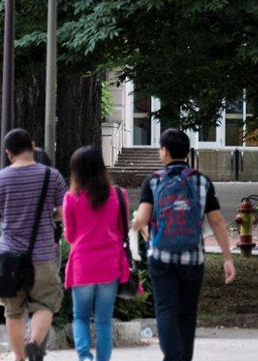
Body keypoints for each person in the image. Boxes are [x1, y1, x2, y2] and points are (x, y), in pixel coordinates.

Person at [131, 128, 236, 361]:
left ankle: (173, 356)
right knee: (187, 314)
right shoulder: (201, 181)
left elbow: (143, 219)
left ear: (165, 151)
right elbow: (217, 221)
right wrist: (228, 258)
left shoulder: (154, 181)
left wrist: (137, 221)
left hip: (161, 257)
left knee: (166, 310)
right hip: (193, 258)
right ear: (186, 152)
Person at [0, 129, 68, 361]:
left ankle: (20, 357)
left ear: (8, 152)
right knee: (45, 303)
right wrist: (47, 215)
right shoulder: (51, 176)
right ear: (32, 146)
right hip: (43, 255)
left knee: (13, 311)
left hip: (10, 256)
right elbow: (63, 212)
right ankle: (34, 342)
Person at [63, 145, 128, 361]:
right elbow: (122, 230)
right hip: (109, 265)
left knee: (80, 317)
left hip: (82, 265)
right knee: (104, 321)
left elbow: (70, 236)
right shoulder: (119, 195)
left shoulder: (71, 198)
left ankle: (84, 357)